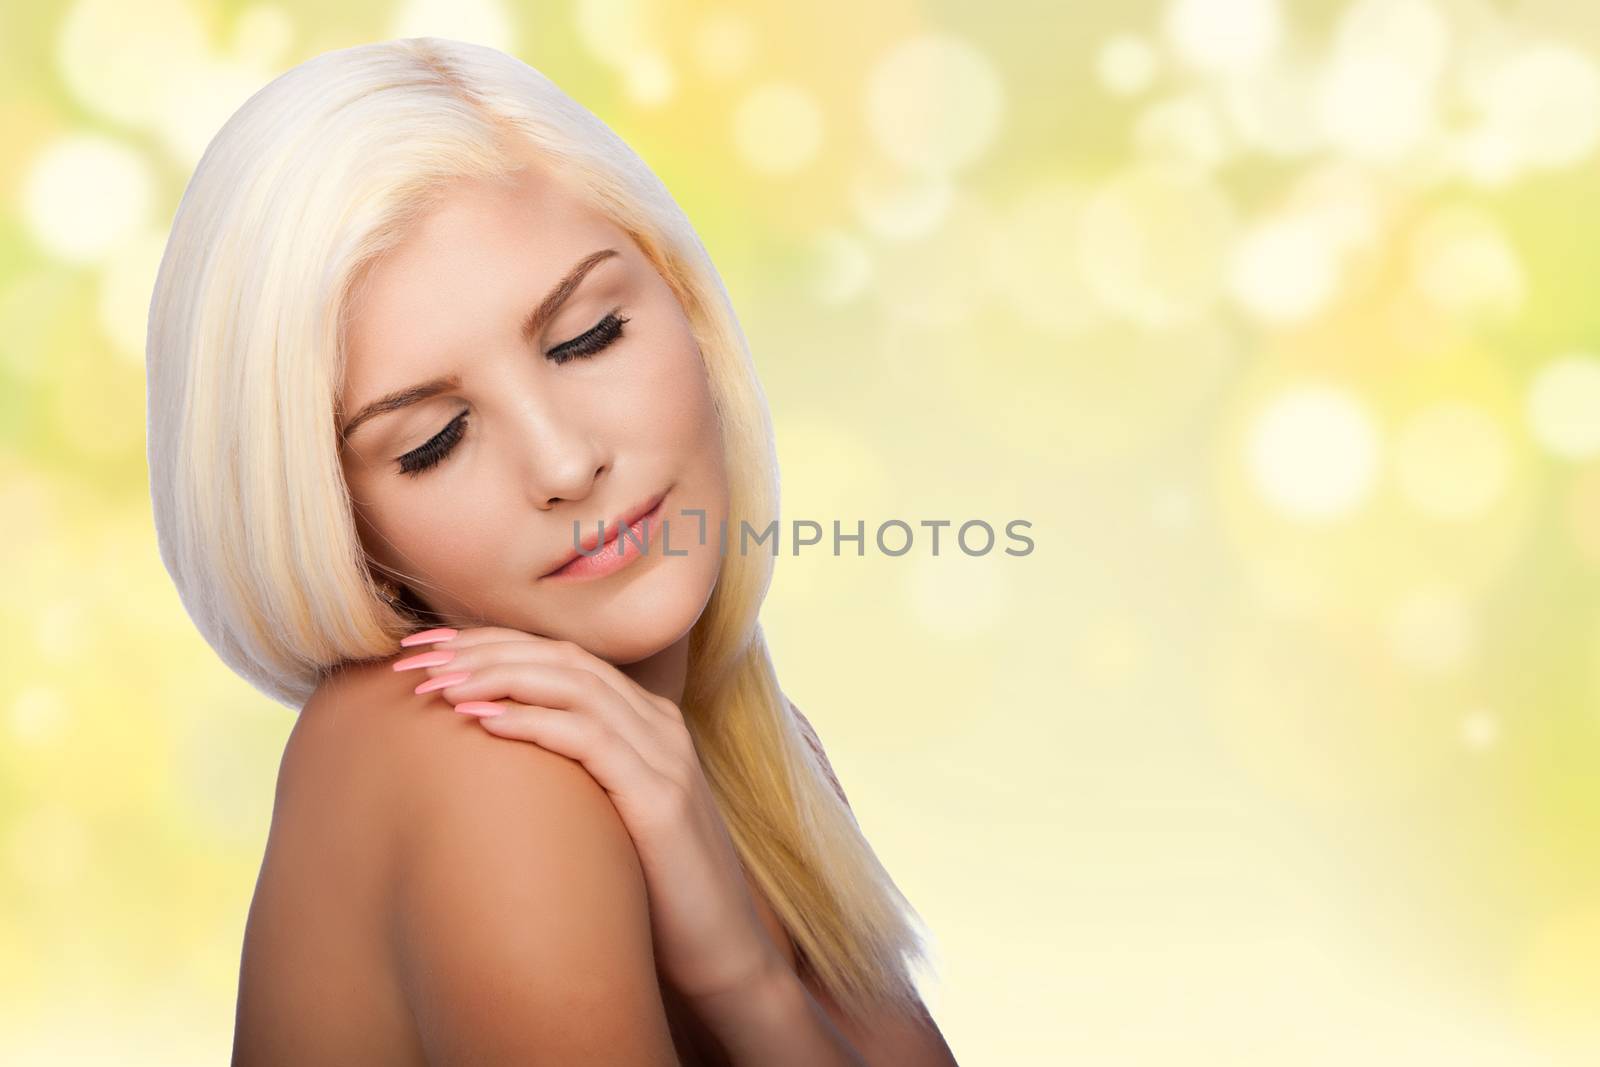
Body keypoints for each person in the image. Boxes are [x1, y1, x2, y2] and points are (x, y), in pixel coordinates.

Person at [145, 36, 958, 1065]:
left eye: (586, 338)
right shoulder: (480, 757)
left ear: (687, 306)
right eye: (433, 440)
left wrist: (751, 983)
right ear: (339, 525)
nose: (566, 463)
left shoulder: (750, 749)